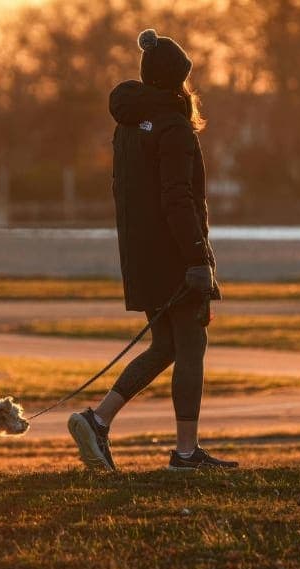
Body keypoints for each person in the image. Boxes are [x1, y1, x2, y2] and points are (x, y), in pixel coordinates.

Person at [68, 28, 238, 472]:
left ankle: (97, 420)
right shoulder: (173, 127)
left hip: (140, 257)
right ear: (176, 80)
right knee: (191, 344)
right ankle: (185, 453)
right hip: (174, 258)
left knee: (164, 346)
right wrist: (199, 260)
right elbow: (178, 200)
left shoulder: (127, 125)